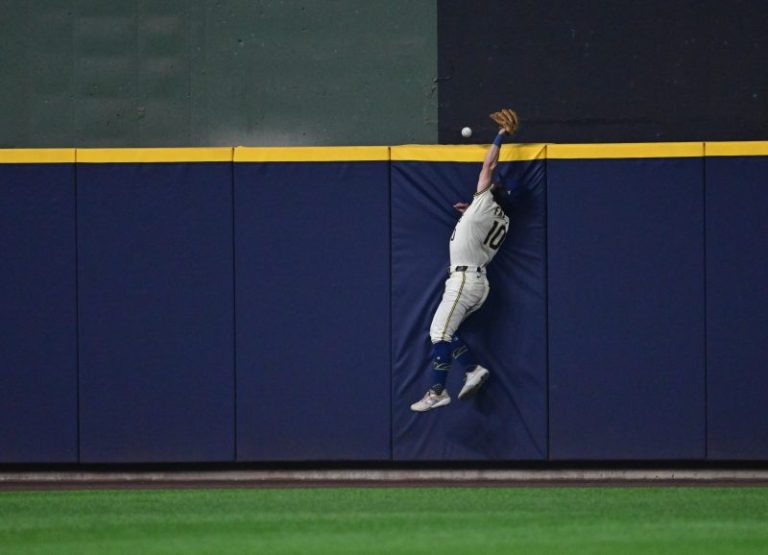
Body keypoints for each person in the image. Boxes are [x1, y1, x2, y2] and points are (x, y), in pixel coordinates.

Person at [410, 109, 518, 412]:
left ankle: (437, 392)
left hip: (464, 280)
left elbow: (489, 163)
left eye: (495, 188)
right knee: (445, 331)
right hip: (478, 282)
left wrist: (501, 135)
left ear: (493, 196)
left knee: (438, 333)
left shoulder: (484, 202)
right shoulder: (501, 218)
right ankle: (472, 370)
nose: (492, 185)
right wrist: (470, 213)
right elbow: (482, 222)